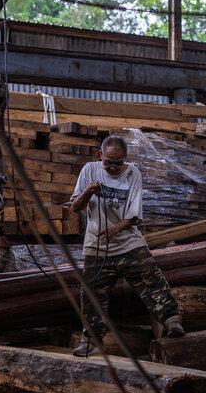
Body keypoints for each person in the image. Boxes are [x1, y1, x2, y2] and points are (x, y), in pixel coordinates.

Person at [69, 135, 184, 357]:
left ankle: (172, 320)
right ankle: (92, 341)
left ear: (125, 158)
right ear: (100, 155)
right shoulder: (89, 170)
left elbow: (134, 217)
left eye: (118, 163)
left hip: (128, 241)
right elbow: (75, 207)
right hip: (97, 245)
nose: (113, 167)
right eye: (108, 163)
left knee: (152, 280)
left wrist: (114, 230)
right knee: (92, 294)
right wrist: (87, 192)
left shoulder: (133, 173)